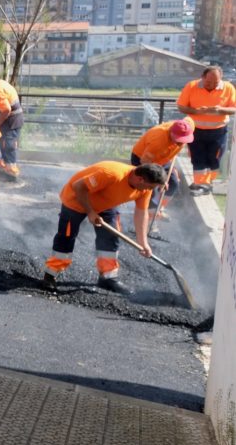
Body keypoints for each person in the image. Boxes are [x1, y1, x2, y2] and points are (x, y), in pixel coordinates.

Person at [41, 161, 166, 294]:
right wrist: (90, 211)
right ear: (141, 179)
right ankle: (50, 275)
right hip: (75, 200)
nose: (151, 190)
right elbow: (78, 186)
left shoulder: (144, 188)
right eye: (151, 187)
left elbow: (141, 213)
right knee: (67, 238)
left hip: (106, 203)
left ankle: (108, 277)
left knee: (111, 237)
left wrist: (143, 243)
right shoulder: (111, 174)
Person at [176, 65, 236, 195]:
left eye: (216, 82)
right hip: (196, 130)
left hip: (218, 131)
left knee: (214, 158)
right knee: (197, 157)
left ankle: (206, 184)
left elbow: (233, 109)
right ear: (203, 77)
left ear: (221, 79)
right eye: (209, 82)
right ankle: (200, 184)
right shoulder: (191, 86)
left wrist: (219, 110)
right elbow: (181, 106)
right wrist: (196, 111)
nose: (212, 85)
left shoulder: (228, 87)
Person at [130, 118, 194, 222]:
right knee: (149, 187)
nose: (181, 143)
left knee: (173, 183)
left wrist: (172, 169)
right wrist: (160, 180)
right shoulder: (158, 141)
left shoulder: (188, 126)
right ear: (171, 133)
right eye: (179, 139)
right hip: (143, 160)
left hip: (164, 158)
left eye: (184, 139)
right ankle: (149, 215)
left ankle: (158, 209)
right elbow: (145, 164)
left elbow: (190, 119)